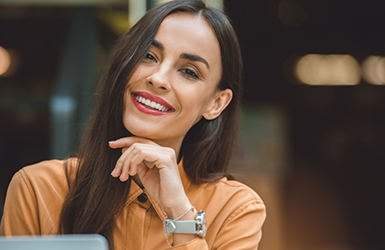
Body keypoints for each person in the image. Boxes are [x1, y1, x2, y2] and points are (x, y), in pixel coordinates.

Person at [0, 0, 266, 249]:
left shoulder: (235, 209)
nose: (158, 78)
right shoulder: (37, 188)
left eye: (189, 72)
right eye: (148, 56)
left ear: (216, 104)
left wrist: (179, 212)